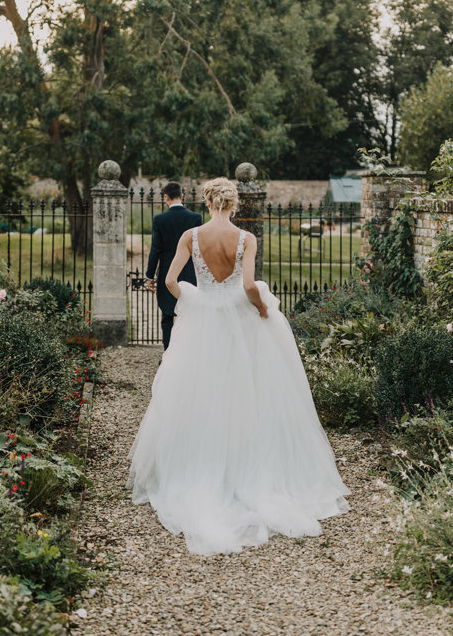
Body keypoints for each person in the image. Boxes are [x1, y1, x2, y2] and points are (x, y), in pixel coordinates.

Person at [127, 177, 350, 555]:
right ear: (234, 204)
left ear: (208, 202)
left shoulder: (190, 236)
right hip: (238, 318)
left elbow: (168, 280)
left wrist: (194, 300)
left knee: (201, 389)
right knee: (245, 387)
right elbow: (248, 285)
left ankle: (198, 464)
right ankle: (245, 461)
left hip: (204, 320)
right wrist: (262, 307)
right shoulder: (247, 239)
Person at [145, 182, 203, 349]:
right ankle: (189, 350)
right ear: (182, 196)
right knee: (190, 314)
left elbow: (155, 250)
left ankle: (168, 353)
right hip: (190, 272)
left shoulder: (160, 220)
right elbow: (200, 249)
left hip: (167, 272)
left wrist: (150, 276)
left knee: (167, 316)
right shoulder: (195, 218)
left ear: (166, 198)